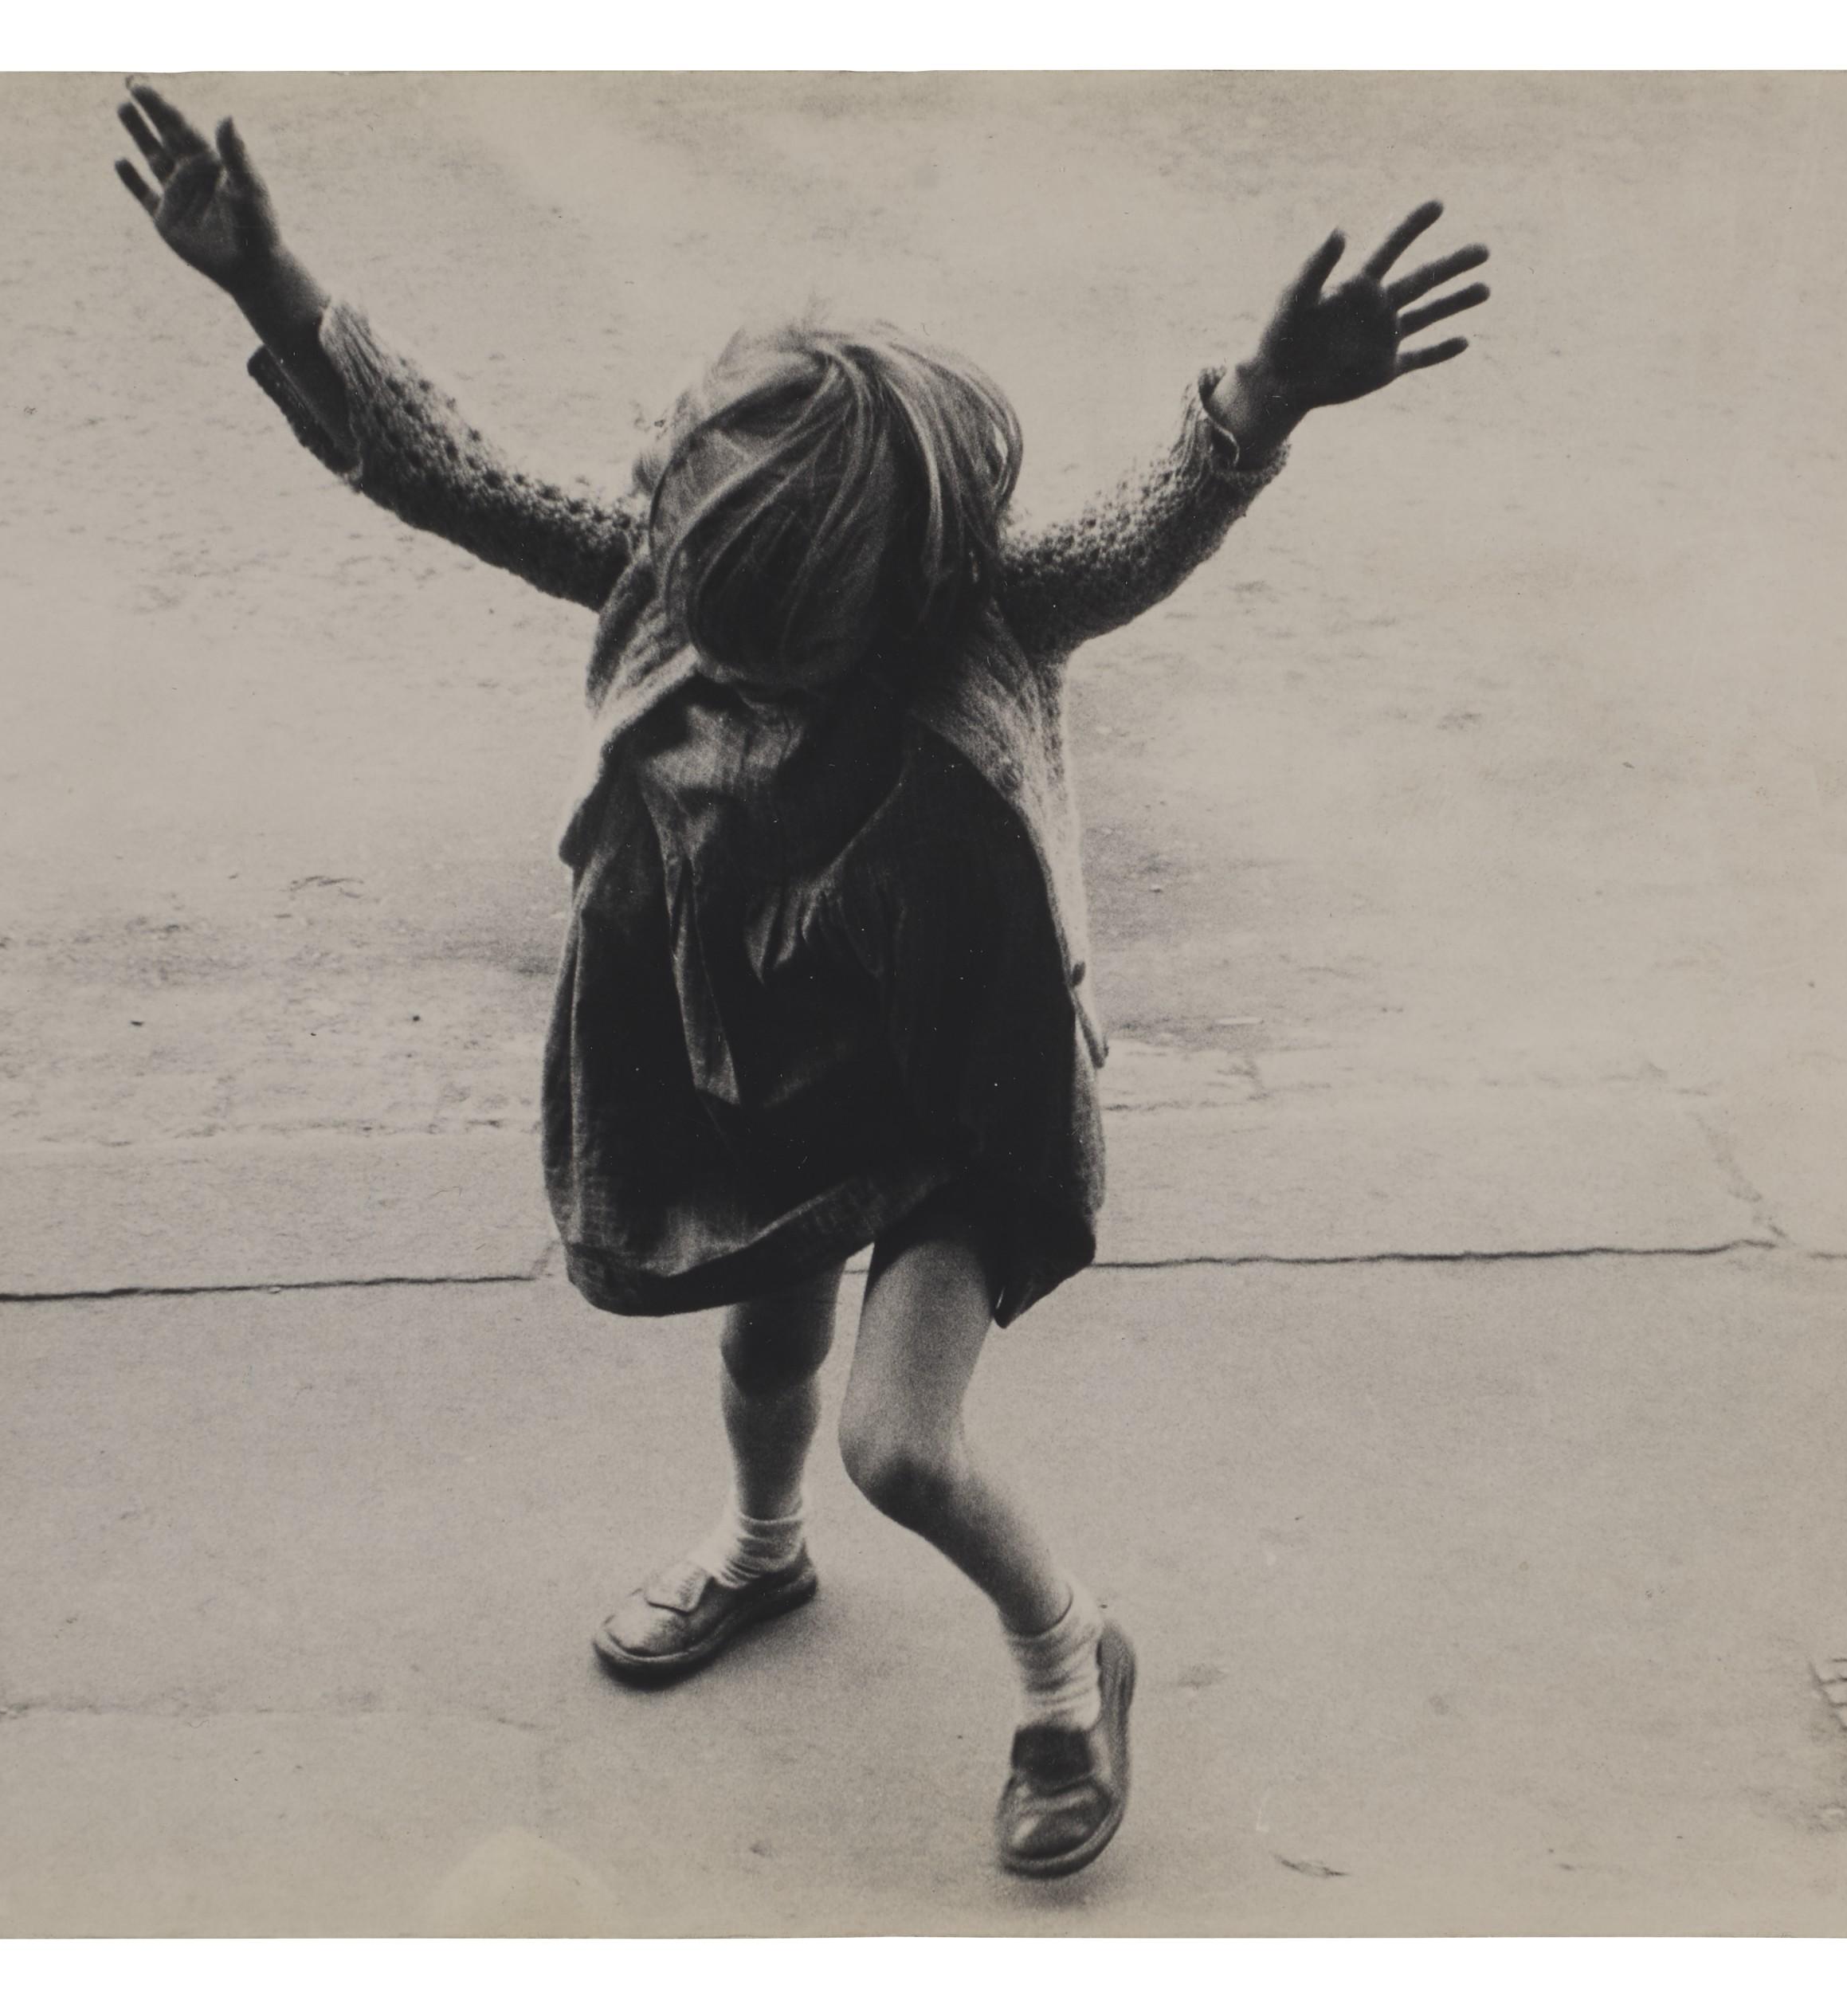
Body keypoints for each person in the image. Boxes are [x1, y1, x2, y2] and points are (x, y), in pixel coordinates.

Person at [113, 80, 1488, 1880]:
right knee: (766, 1349)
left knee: (900, 1445)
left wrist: (1270, 393)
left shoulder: (989, 610)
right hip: (762, 1078)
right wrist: (262, 280)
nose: (727, 656)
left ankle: (1073, 1663)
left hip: (954, 1103)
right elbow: (433, 469)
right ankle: (762, 1555)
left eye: (777, 639)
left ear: (891, 586)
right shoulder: (679, 578)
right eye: (708, 607)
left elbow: (1147, 534)